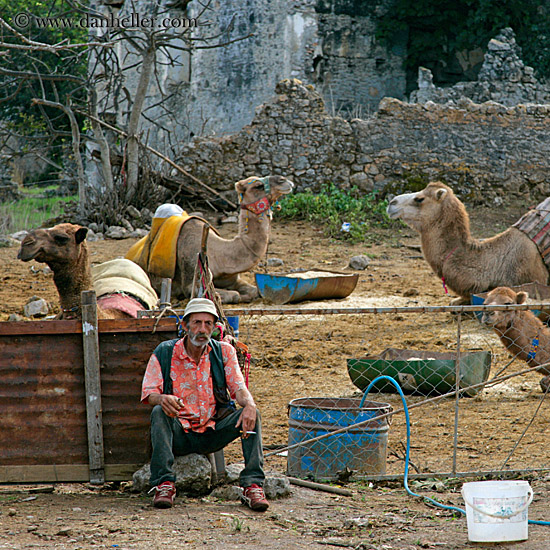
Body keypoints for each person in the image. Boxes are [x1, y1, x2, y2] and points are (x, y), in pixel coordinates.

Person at [141, 297, 269, 511]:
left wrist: (250, 405)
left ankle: (252, 485)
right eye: (197, 323)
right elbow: (148, 392)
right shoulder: (165, 352)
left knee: (251, 414)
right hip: (180, 433)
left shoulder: (223, 352)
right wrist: (162, 398)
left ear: (214, 327)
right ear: (185, 325)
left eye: (208, 324)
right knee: (158, 411)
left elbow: (238, 387)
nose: (202, 329)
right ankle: (164, 484)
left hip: (213, 431)